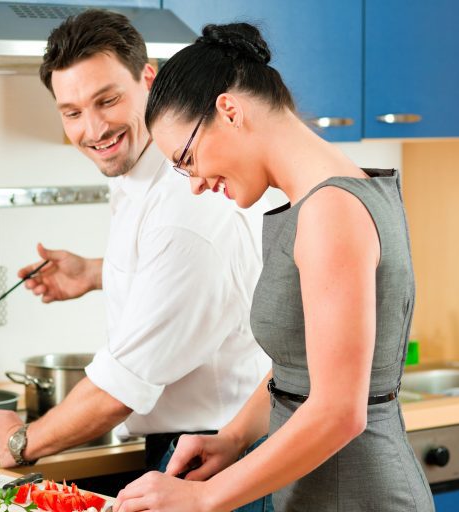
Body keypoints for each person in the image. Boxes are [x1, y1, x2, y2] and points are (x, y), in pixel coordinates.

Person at [112, 22, 434, 512]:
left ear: (230, 111)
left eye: (187, 158)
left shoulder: (331, 211)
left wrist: (203, 497)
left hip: (358, 496)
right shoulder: (325, 200)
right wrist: (234, 436)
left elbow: (338, 412)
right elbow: (300, 367)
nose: (194, 183)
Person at [0, 10, 272, 507]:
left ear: (148, 80)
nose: (93, 128)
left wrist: (18, 443)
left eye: (107, 100)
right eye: (71, 112)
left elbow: (121, 388)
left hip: (218, 456)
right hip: (190, 447)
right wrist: (94, 273)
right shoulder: (143, 175)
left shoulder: (185, 204)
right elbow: (180, 282)